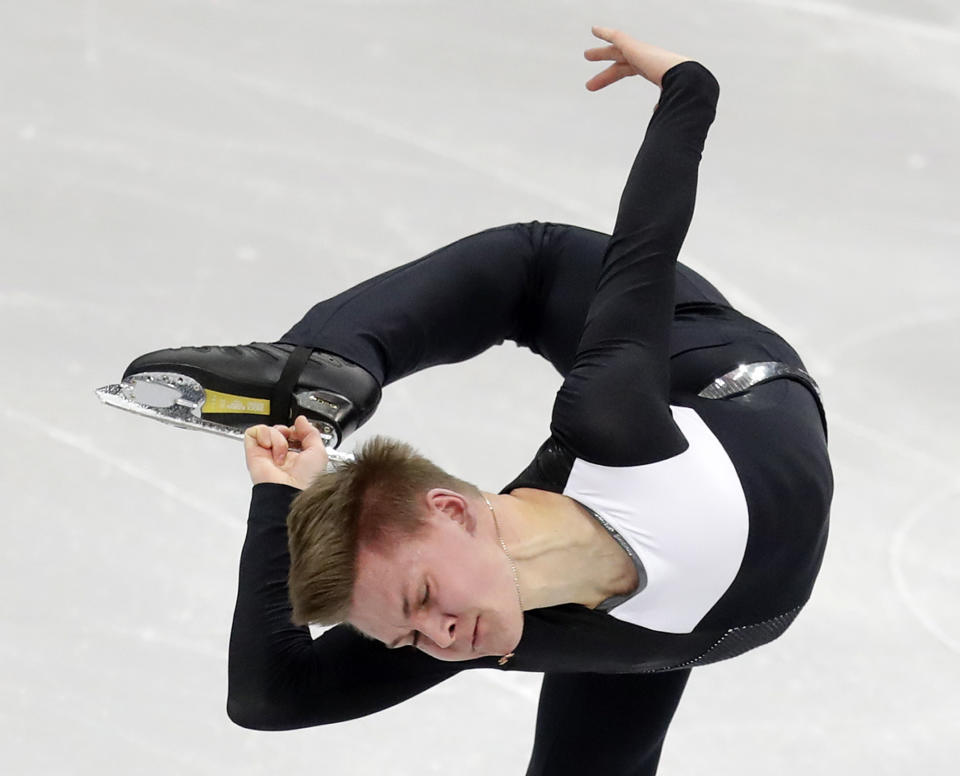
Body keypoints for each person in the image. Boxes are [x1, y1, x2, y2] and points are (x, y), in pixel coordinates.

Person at [118, 28, 833, 775]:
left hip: (704, 364)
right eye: (408, 639)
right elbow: (270, 696)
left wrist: (690, 87)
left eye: (424, 598)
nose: (440, 636)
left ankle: (322, 366)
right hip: (652, 631)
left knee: (527, 268)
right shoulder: (474, 617)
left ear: (454, 511)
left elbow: (645, 241)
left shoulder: (614, 424)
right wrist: (279, 500)